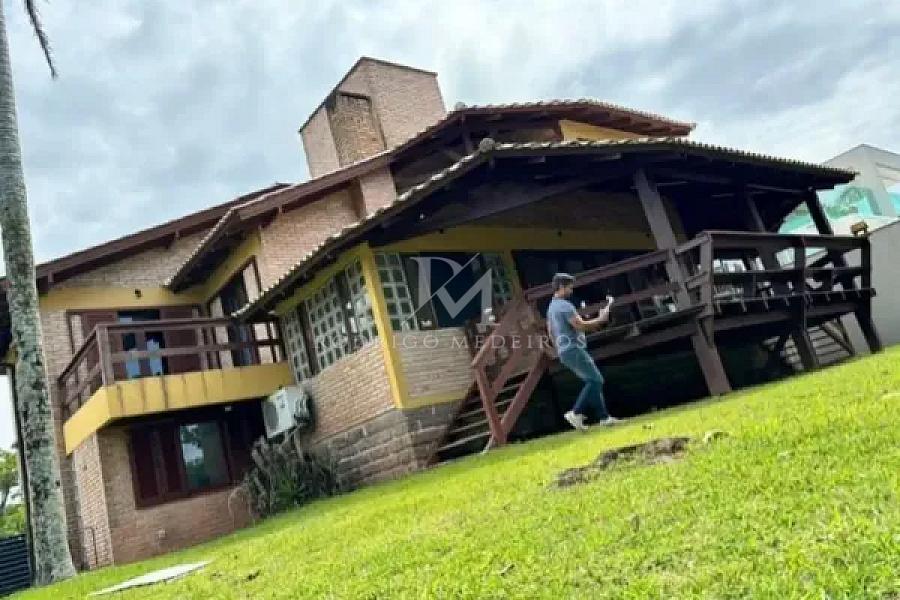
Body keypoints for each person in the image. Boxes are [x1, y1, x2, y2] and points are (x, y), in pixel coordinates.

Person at [546, 272, 619, 431]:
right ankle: (575, 412)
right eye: (569, 288)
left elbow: (550, 331)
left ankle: (604, 418)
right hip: (573, 349)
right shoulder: (565, 306)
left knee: (591, 380)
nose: (571, 291)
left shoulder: (551, 308)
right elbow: (580, 326)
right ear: (561, 287)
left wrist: (558, 349)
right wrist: (601, 319)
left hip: (564, 351)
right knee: (596, 380)